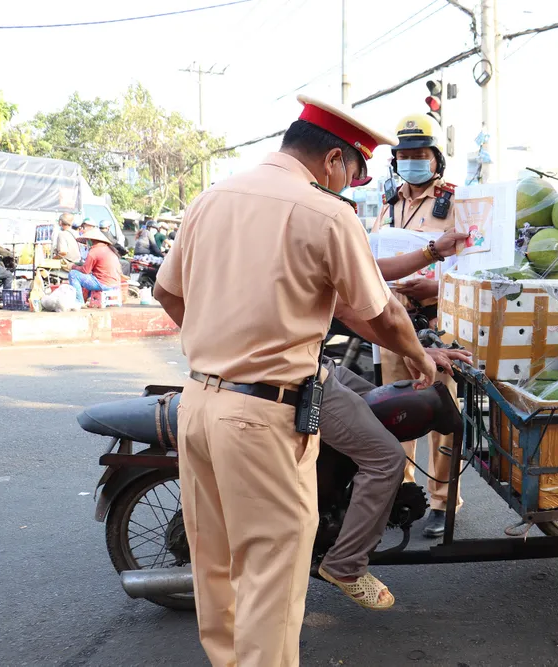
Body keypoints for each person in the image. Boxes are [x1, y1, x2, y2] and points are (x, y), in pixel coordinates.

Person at [153, 95, 439, 666]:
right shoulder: (327, 214)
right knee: (272, 576)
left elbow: (167, 291)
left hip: (199, 404)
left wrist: (225, 350)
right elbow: (379, 312)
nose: (352, 186)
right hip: (264, 416)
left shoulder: (213, 198)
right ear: (334, 159)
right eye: (353, 173)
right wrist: (420, 356)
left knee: (217, 565)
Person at [370, 113, 463, 539]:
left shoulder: (455, 203)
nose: (410, 162)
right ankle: (403, 495)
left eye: (419, 155)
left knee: (441, 412)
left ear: (435, 159)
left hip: (436, 324)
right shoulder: (388, 203)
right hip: (393, 321)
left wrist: (433, 284)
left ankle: (443, 501)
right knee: (395, 411)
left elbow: (471, 267)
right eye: (403, 155)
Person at [67, 227, 122, 305]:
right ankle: (88, 299)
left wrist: (73, 266)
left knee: (73, 274)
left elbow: (85, 270)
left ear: (90, 241)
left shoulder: (94, 251)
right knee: (90, 276)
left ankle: (79, 302)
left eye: (87, 241)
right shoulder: (109, 250)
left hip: (103, 283)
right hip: (115, 283)